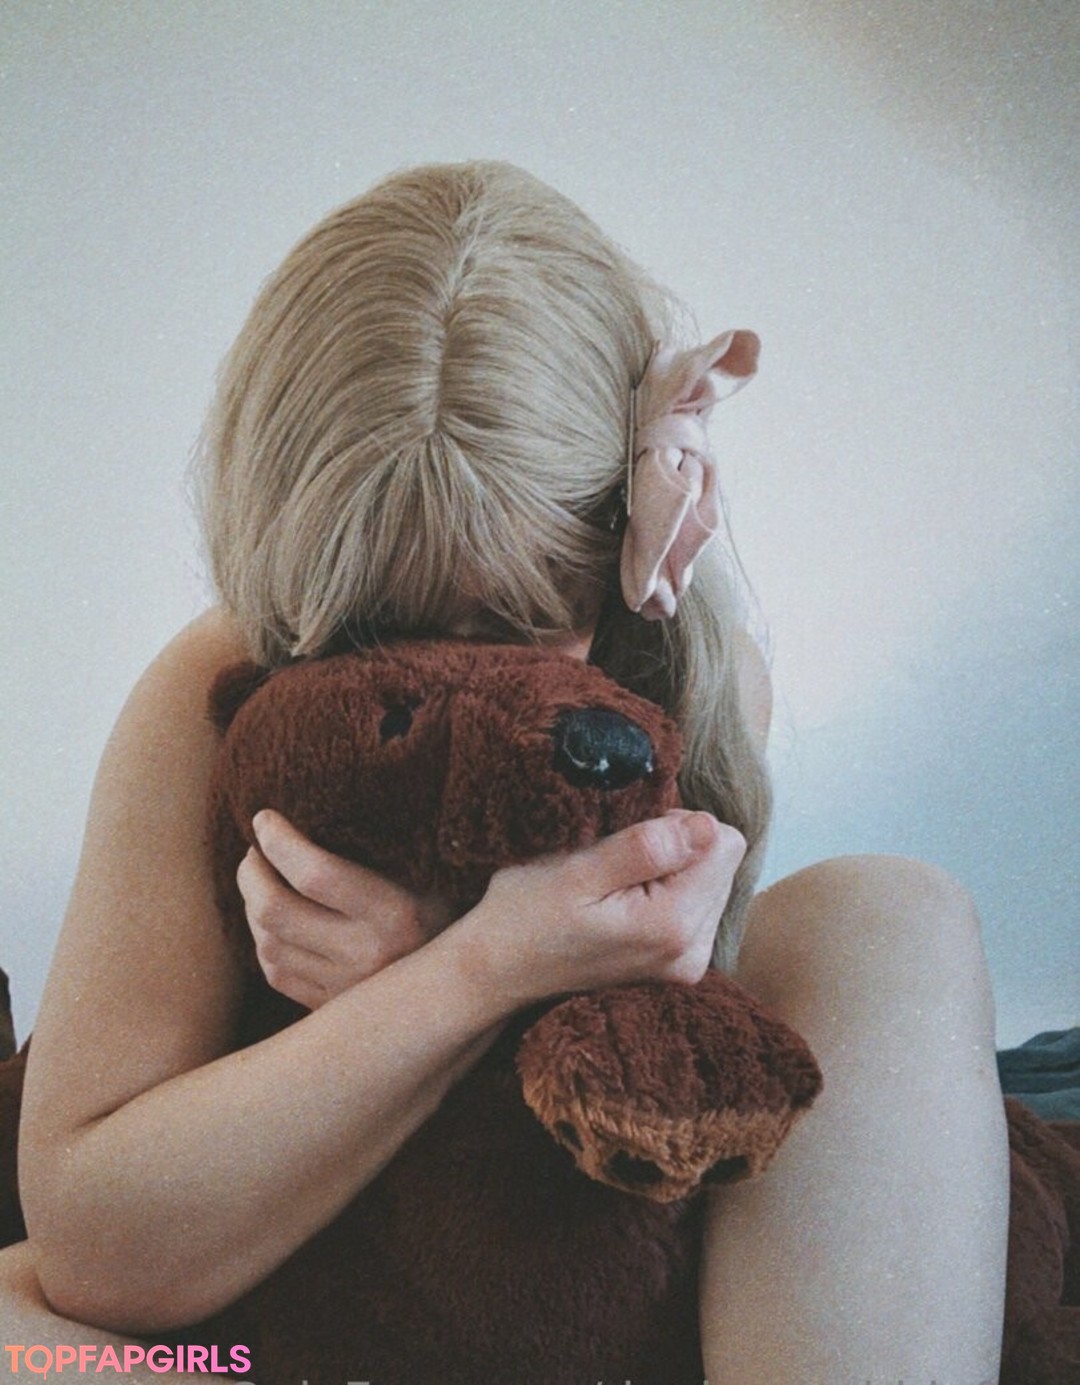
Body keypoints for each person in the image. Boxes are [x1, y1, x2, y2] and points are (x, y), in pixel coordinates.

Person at [0, 161, 1009, 1382]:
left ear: (624, 536)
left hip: (571, 1250)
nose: (466, 674)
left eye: (527, 622)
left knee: (890, 909)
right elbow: (97, 1248)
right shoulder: (209, 691)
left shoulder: (689, 677)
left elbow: (656, 1112)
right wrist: (470, 975)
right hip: (285, 1263)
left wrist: (473, 965)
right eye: (384, 630)